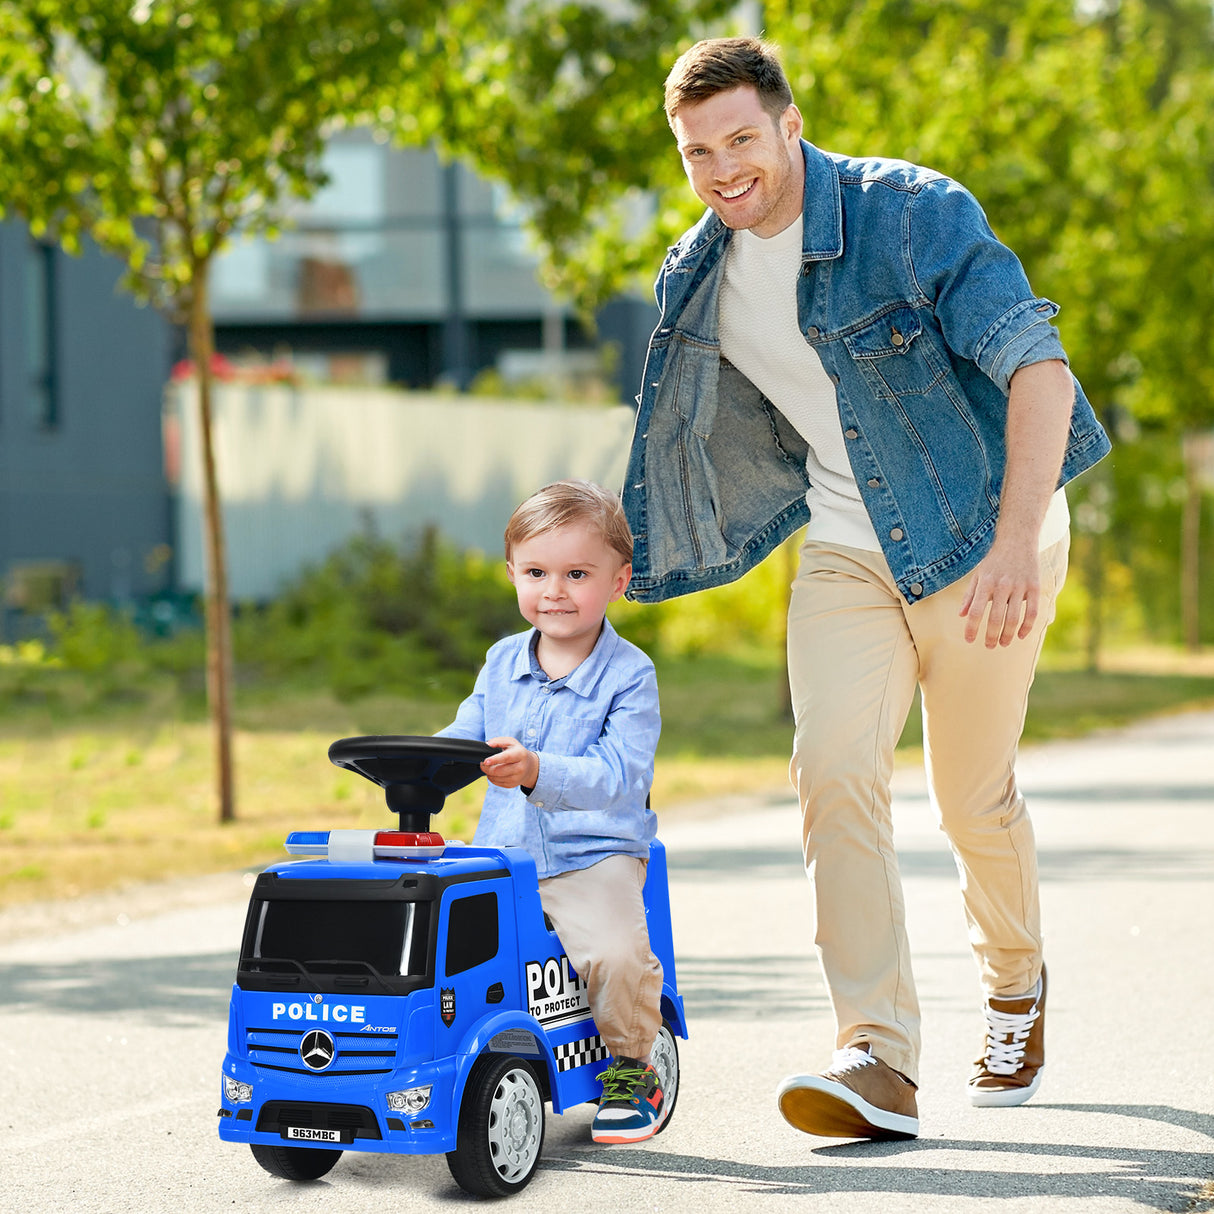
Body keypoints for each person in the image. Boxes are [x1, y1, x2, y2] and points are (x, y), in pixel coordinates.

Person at [620, 37, 1111, 1140]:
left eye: (740, 140)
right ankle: (877, 1055)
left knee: (968, 797)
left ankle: (1014, 983)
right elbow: (691, 438)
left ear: (790, 125)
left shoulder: (911, 215)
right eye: (696, 152)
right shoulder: (694, 272)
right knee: (832, 770)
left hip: (982, 535)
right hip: (848, 544)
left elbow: (1039, 370)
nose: (721, 169)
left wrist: (1013, 543)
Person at [437, 478, 667, 1144]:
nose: (555, 591)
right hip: (502, 852)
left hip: (591, 855)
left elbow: (621, 776)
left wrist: (539, 771)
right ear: (512, 572)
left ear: (618, 581)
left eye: (577, 574)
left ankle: (632, 1068)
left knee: (614, 952)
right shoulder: (500, 661)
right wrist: (419, 765)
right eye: (537, 572)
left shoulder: (629, 676)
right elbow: (466, 736)